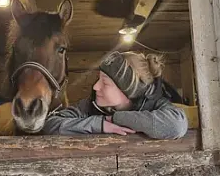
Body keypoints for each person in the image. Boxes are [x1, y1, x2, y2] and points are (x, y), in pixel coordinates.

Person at [42, 51, 188, 139]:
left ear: (129, 91)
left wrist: (115, 119)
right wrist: (100, 124)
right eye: (98, 79)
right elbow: (51, 125)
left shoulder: (156, 104)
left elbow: (176, 126)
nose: (95, 86)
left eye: (105, 83)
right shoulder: (89, 105)